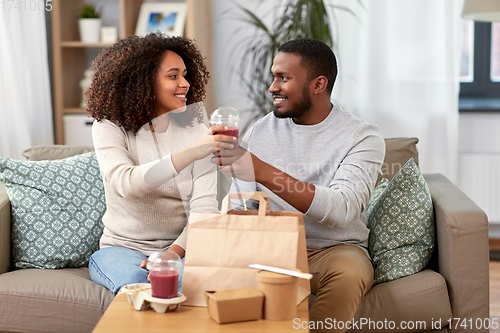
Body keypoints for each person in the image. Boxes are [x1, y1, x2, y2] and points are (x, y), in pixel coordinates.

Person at [214, 38, 385, 332]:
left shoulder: (362, 137)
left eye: (284, 78)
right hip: (270, 245)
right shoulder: (262, 129)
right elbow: (241, 200)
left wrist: (263, 171)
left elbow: (343, 209)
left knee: (350, 272)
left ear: (318, 85)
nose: (272, 88)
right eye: (273, 77)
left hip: (332, 250)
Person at [86, 32, 236, 295]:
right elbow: (125, 183)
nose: (185, 83)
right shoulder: (109, 126)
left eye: (186, 75)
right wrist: (191, 152)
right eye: (173, 76)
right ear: (143, 82)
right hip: (121, 249)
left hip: (180, 248)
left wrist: (172, 254)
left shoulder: (196, 130)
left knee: (186, 284)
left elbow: (204, 210)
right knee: (135, 284)